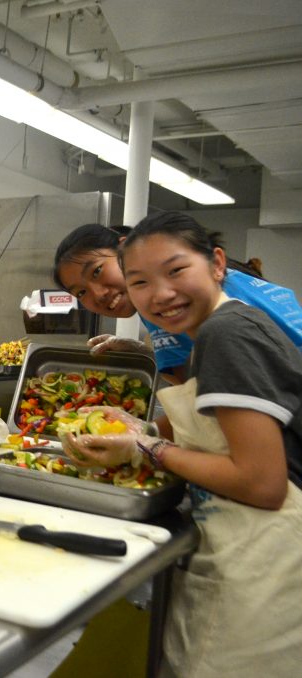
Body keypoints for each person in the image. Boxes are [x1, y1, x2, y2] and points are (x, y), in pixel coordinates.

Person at [63, 211, 302, 676]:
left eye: (175, 271)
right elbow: (224, 435)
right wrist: (143, 433)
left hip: (267, 560)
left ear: (216, 264)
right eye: (140, 283)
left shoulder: (225, 333)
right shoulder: (224, 327)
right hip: (250, 550)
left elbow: (262, 482)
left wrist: (146, 448)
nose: (161, 294)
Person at [53, 219, 302, 383]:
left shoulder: (169, 302)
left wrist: (149, 442)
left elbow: (198, 390)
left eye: (97, 271)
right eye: (81, 293)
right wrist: (144, 350)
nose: (97, 294)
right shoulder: (230, 280)